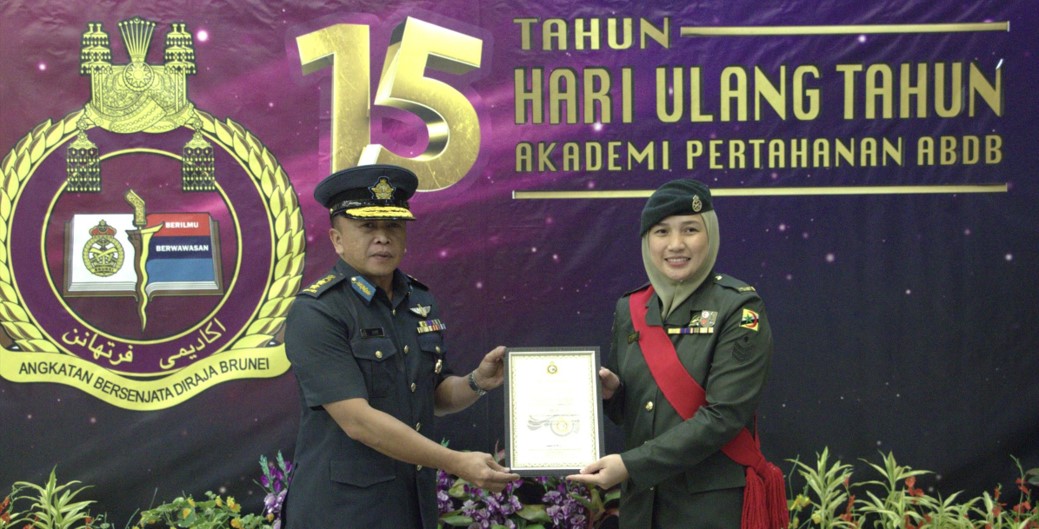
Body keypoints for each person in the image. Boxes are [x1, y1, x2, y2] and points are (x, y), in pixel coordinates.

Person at [283, 164, 520, 529]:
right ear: (337, 239)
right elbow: (358, 421)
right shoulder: (317, 311)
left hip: (411, 503)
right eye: (367, 227)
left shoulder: (419, 300)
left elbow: (434, 396)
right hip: (343, 511)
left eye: (393, 225)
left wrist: (477, 381)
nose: (383, 238)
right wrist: (455, 462)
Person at [567, 179, 787, 529]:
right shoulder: (631, 308)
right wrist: (614, 394)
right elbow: (639, 412)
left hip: (708, 510)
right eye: (661, 231)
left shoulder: (739, 307)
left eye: (690, 229)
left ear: (710, 235)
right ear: (647, 241)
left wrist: (631, 465)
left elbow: (724, 416)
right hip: (642, 507)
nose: (675, 244)